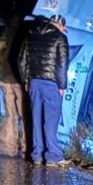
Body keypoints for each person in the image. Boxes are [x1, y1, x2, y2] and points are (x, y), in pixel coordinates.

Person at [19, 13, 69, 166]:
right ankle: (53, 155)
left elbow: (22, 60)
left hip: (34, 83)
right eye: (63, 26)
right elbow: (62, 64)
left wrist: (26, 81)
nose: (64, 29)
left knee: (36, 119)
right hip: (52, 84)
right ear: (59, 25)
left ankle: (37, 155)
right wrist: (62, 85)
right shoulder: (60, 38)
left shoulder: (31, 35)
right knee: (51, 120)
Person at [0, 16, 26, 157]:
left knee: (10, 115)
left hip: (6, 77)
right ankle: (25, 147)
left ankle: (8, 147)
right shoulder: (26, 36)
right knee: (24, 115)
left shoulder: (7, 35)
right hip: (20, 79)